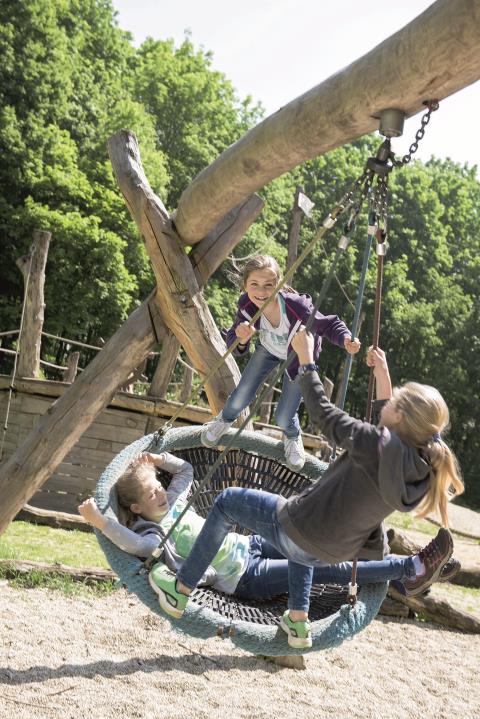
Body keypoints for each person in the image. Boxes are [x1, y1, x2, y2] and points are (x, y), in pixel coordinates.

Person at [150, 333, 464, 648]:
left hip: (301, 530)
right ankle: (298, 621)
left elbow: (323, 416)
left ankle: (181, 588)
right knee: (302, 526)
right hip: (331, 551)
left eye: (394, 399)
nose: (388, 400)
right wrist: (382, 374)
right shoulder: (416, 469)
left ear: (400, 416)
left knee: (227, 501)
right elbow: (389, 435)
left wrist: (306, 360)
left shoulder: (376, 445)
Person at [81, 446, 460, 649]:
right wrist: (103, 522)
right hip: (247, 578)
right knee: (331, 569)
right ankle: (411, 569)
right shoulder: (154, 534)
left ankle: (406, 569)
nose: (161, 492)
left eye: (159, 486)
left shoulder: (175, 501)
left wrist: (158, 459)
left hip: (254, 545)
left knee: (309, 533)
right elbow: (131, 544)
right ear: (137, 508)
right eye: (152, 493)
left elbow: (187, 472)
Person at [201, 254, 361, 471]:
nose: (261, 292)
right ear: (245, 285)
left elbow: (329, 324)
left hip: (297, 355)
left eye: (268, 285)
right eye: (254, 284)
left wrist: (345, 339)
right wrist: (241, 338)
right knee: (241, 394)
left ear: (279, 285)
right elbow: (235, 343)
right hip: (268, 349)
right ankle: (224, 420)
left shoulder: (297, 308)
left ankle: (292, 436)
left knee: (284, 416)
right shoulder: (246, 304)